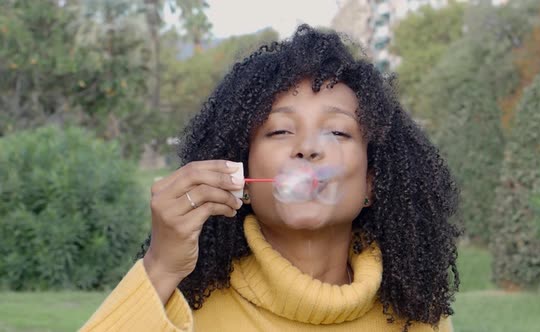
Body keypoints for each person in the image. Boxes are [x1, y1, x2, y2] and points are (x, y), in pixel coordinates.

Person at [80, 25, 461, 332]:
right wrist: (161, 266)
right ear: (239, 177)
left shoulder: (417, 316)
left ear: (373, 184)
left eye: (338, 132)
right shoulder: (185, 309)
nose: (308, 148)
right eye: (280, 131)